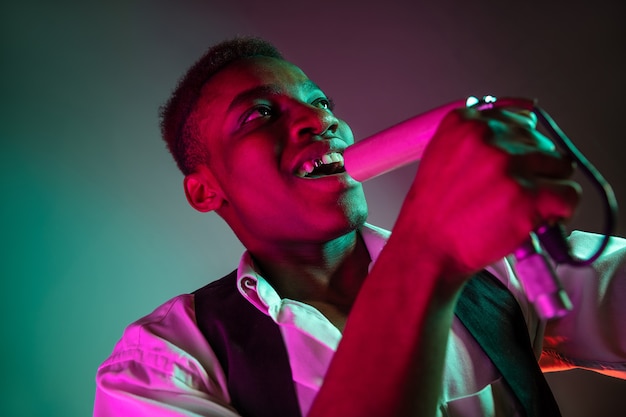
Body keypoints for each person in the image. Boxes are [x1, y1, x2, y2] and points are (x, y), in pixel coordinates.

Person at [94, 36, 626, 417]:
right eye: (259, 115)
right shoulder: (163, 365)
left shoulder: (501, 266)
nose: (321, 121)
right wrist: (424, 254)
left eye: (320, 102)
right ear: (206, 190)